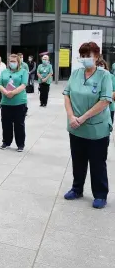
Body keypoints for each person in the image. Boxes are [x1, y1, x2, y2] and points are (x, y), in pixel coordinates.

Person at [63, 42, 111, 209]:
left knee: (97, 162)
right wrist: (71, 116)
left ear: (97, 57)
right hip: (75, 127)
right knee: (78, 160)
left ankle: (100, 194)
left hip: (96, 128)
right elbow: (67, 94)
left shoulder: (104, 75)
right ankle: (77, 189)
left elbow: (105, 101)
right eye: (82, 56)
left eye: (88, 55)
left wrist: (82, 118)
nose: (85, 59)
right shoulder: (75, 74)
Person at [0, 54, 28, 152]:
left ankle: (20, 144)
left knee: (19, 124)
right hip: (6, 102)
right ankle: (6, 142)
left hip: (19, 102)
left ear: (18, 62)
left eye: (14, 61)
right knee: (6, 123)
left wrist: (12, 93)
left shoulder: (23, 72)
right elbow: (0, 84)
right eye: (10, 61)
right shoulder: (4, 72)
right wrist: (6, 92)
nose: (12, 63)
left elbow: (23, 85)